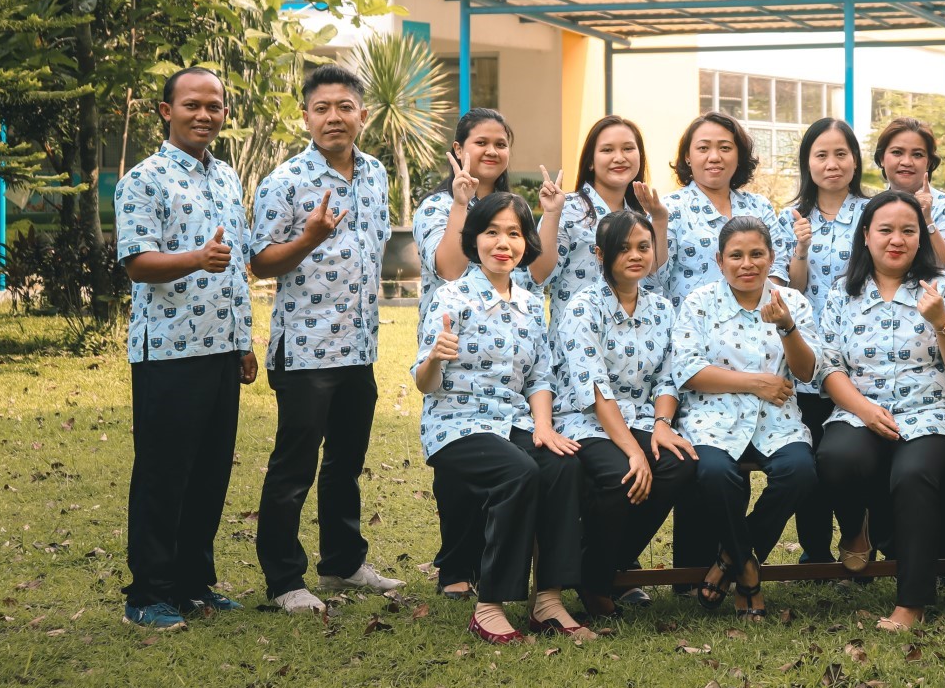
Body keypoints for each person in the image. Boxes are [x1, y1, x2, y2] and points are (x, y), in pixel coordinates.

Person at [250, 64, 402, 614]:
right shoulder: (285, 182)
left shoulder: (376, 173)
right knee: (295, 467)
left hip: (359, 347)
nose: (333, 117)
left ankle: (342, 561)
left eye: (344, 106)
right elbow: (260, 260)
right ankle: (284, 580)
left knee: (346, 461)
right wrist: (310, 238)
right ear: (306, 116)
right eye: (321, 108)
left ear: (362, 113)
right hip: (306, 351)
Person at [115, 68, 258, 630]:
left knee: (210, 472)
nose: (204, 115)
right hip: (170, 352)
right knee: (163, 472)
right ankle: (147, 592)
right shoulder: (143, 180)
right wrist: (196, 258)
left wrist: (243, 343)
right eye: (192, 105)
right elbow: (137, 262)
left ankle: (195, 583)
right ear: (165, 111)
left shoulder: (225, 176)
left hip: (222, 349)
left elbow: (237, 267)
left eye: (215, 106)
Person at [415, 192, 592, 644]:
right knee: (519, 472)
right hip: (456, 424)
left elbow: (540, 375)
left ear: (526, 241)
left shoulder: (532, 303)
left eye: (513, 233)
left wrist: (545, 427)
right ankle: (490, 604)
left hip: (513, 421)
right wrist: (436, 357)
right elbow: (424, 383)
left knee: (562, 465)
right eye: (492, 231)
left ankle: (549, 600)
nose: (503, 242)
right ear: (474, 239)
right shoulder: (450, 298)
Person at [815, 190, 945, 633]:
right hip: (860, 408)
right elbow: (827, 365)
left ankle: (912, 602)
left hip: (931, 411)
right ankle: (856, 528)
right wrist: (865, 411)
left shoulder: (941, 288)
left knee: (912, 475)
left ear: (920, 237)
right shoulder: (841, 292)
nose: (896, 239)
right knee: (837, 458)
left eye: (908, 230)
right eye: (885, 229)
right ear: (866, 234)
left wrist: (942, 322)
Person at [671, 216, 820, 619]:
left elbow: (807, 372)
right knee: (714, 473)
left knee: (800, 471)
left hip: (777, 420)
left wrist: (787, 326)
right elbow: (687, 370)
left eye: (757, 254)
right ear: (720, 260)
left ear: (772, 257)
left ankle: (728, 562)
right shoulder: (700, 303)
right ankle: (748, 569)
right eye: (736, 255)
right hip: (712, 418)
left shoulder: (794, 303)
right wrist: (755, 383)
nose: (747, 263)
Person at [554, 210, 698, 618]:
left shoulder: (663, 309)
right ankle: (596, 581)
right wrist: (634, 452)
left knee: (679, 464)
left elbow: (669, 377)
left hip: (643, 419)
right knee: (623, 473)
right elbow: (594, 387)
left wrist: (661, 427)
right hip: (587, 419)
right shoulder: (584, 307)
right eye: (623, 248)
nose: (635, 255)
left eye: (643, 246)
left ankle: (599, 564)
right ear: (601, 255)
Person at [780, 118, 867, 569]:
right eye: (821, 155)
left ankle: (859, 538)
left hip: (863, 354)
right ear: (807, 163)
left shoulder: (874, 212)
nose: (831, 164)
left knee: (850, 455)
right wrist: (799, 250)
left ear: (854, 160)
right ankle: (814, 552)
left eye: (840, 154)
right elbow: (789, 290)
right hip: (806, 356)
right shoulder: (790, 217)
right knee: (811, 451)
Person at [412, 109, 560, 321]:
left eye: (500, 145)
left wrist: (552, 213)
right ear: (458, 149)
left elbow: (537, 274)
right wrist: (461, 204)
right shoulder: (436, 206)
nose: (492, 151)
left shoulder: (517, 207)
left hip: (518, 335)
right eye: (481, 143)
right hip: (457, 338)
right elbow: (449, 272)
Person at [548, 115, 670, 332]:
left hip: (634, 344)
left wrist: (659, 221)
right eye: (607, 150)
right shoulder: (566, 209)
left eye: (628, 149)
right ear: (590, 162)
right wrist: (550, 214)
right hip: (577, 341)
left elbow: (654, 278)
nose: (619, 157)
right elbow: (540, 276)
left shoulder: (643, 214)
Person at [661, 112, 786, 308]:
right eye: (703, 148)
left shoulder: (760, 206)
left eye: (725, 148)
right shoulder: (668, 208)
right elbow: (654, 278)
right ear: (687, 156)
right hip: (692, 331)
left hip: (757, 328)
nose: (714, 157)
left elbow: (777, 269)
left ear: (739, 156)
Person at [871, 117, 945, 286]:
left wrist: (927, 222)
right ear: (881, 158)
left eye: (917, 155)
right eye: (897, 152)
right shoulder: (871, 208)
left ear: (929, 162)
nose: (907, 162)